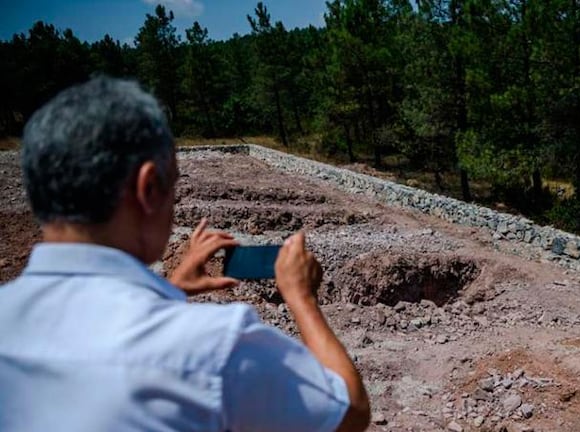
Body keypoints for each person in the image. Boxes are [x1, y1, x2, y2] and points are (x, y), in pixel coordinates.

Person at [0, 77, 370, 432]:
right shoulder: (214, 347)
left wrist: (170, 288)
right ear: (148, 188)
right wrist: (301, 297)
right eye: (173, 183)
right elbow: (348, 411)